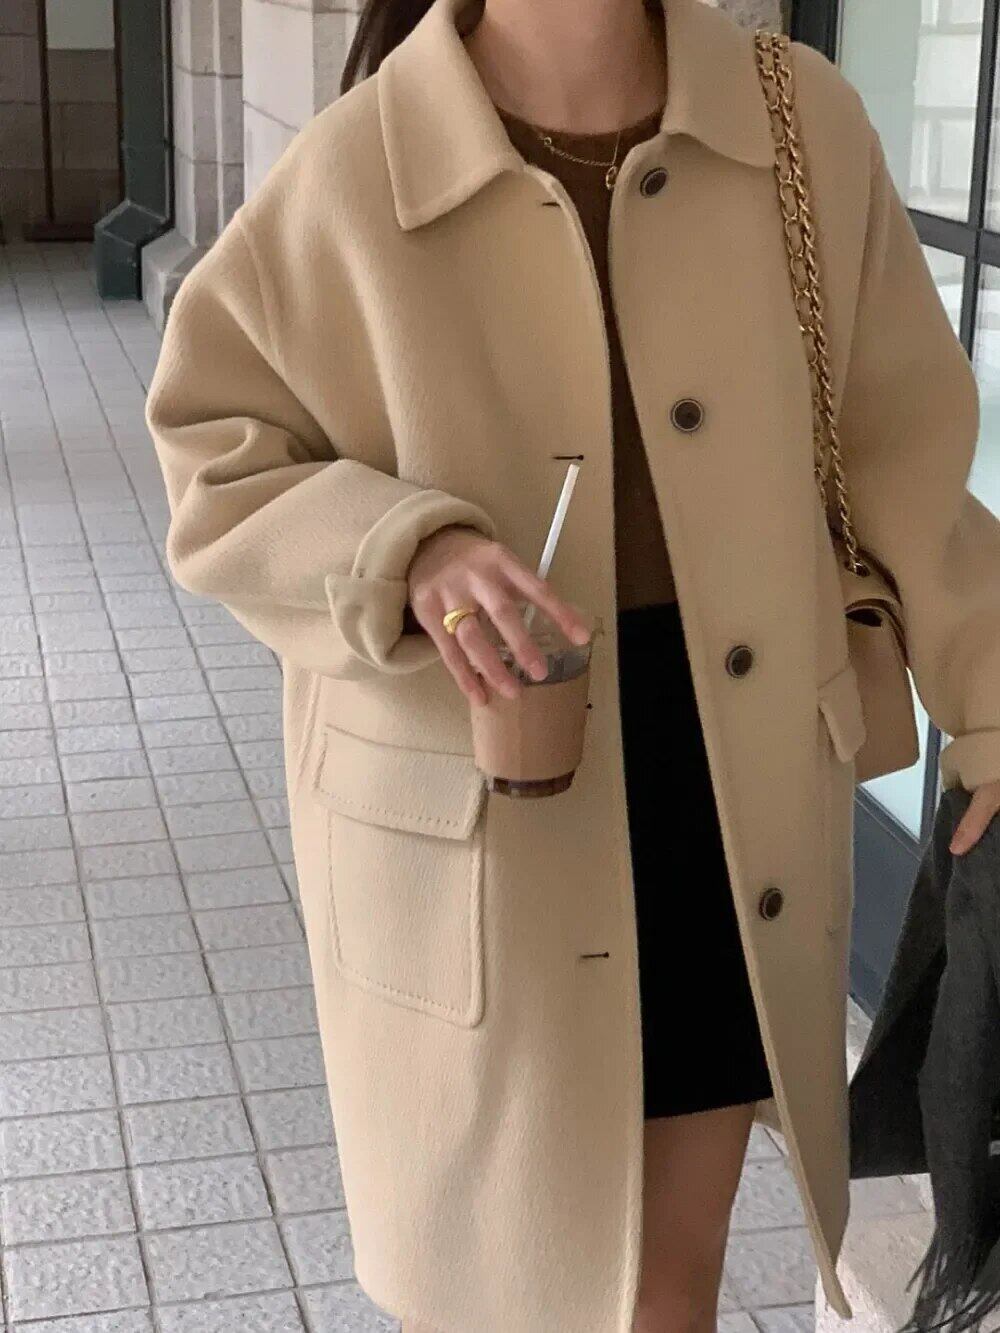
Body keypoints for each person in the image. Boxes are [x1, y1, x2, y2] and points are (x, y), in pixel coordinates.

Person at [144, 0, 1000, 1328]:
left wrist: (991, 709)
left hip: (730, 780)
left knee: (669, 1285)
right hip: (485, 802)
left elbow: (909, 460)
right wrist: (405, 551)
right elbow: (213, 454)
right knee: (505, 1283)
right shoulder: (358, 167)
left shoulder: (796, 123)